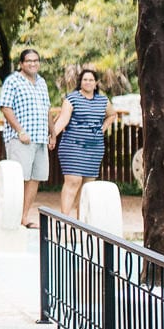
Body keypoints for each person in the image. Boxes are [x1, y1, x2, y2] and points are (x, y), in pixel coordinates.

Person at [50, 67, 118, 218]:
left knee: (87, 186)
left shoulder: (103, 100)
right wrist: (53, 136)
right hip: (73, 145)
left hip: (94, 147)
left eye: (91, 80)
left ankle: (82, 222)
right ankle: (64, 219)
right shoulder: (71, 99)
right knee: (73, 181)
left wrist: (103, 128)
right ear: (80, 82)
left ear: (96, 83)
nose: (88, 82)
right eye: (85, 79)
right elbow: (63, 119)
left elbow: (112, 115)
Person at [0, 47, 52, 228]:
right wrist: (20, 131)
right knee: (18, 178)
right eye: (29, 61)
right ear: (21, 63)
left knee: (35, 178)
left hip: (40, 138)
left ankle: (24, 217)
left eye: (36, 60)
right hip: (21, 139)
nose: (33, 63)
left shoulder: (42, 82)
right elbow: (5, 107)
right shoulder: (13, 81)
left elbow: (47, 110)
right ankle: (12, 217)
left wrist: (52, 133)